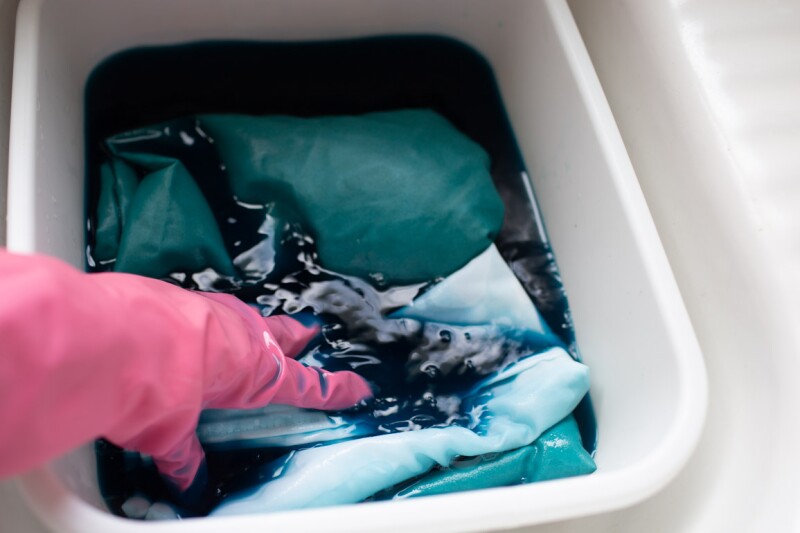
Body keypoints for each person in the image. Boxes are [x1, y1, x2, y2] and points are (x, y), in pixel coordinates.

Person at [0, 248, 372, 493]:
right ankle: (334, 349)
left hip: (219, 358)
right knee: (285, 345)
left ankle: (357, 387)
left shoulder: (147, 407)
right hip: (167, 302)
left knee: (304, 383)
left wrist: (193, 499)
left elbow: (180, 459)